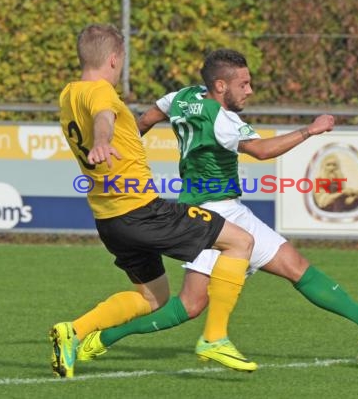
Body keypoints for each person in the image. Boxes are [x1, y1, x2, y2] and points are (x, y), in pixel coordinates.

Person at [75, 49, 358, 364]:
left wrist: (120, 152)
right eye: (244, 84)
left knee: (295, 266)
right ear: (220, 86)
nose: (250, 90)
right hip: (209, 216)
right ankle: (103, 337)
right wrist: (309, 130)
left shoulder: (182, 97)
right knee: (190, 305)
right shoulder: (222, 119)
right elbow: (262, 151)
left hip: (229, 209)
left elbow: (147, 119)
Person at [51, 25, 259, 378]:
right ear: (114, 59)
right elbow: (104, 116)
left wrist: (116, 135)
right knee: (241, 241)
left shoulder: (68, 94)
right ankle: (215, 338)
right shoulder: (100, 92)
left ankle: (73, 332)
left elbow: (110, 119)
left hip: (109, 218)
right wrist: (103, 140)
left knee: (153, 298)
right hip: (142, 210)